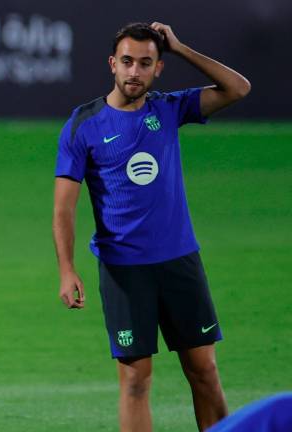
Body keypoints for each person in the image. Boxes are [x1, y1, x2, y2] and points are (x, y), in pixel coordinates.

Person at [52, 22, 250, 432]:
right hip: (124, 272)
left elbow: (238, 88)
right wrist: (67, 269)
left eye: (146, 63)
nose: (134, 72)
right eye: (127, 62)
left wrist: (181, 47)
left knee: (205, 371)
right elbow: (64, 210)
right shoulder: (83, 124)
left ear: (159, 68)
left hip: (180, 263)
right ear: (112, 64)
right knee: (136, 381)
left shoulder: (168, 108)